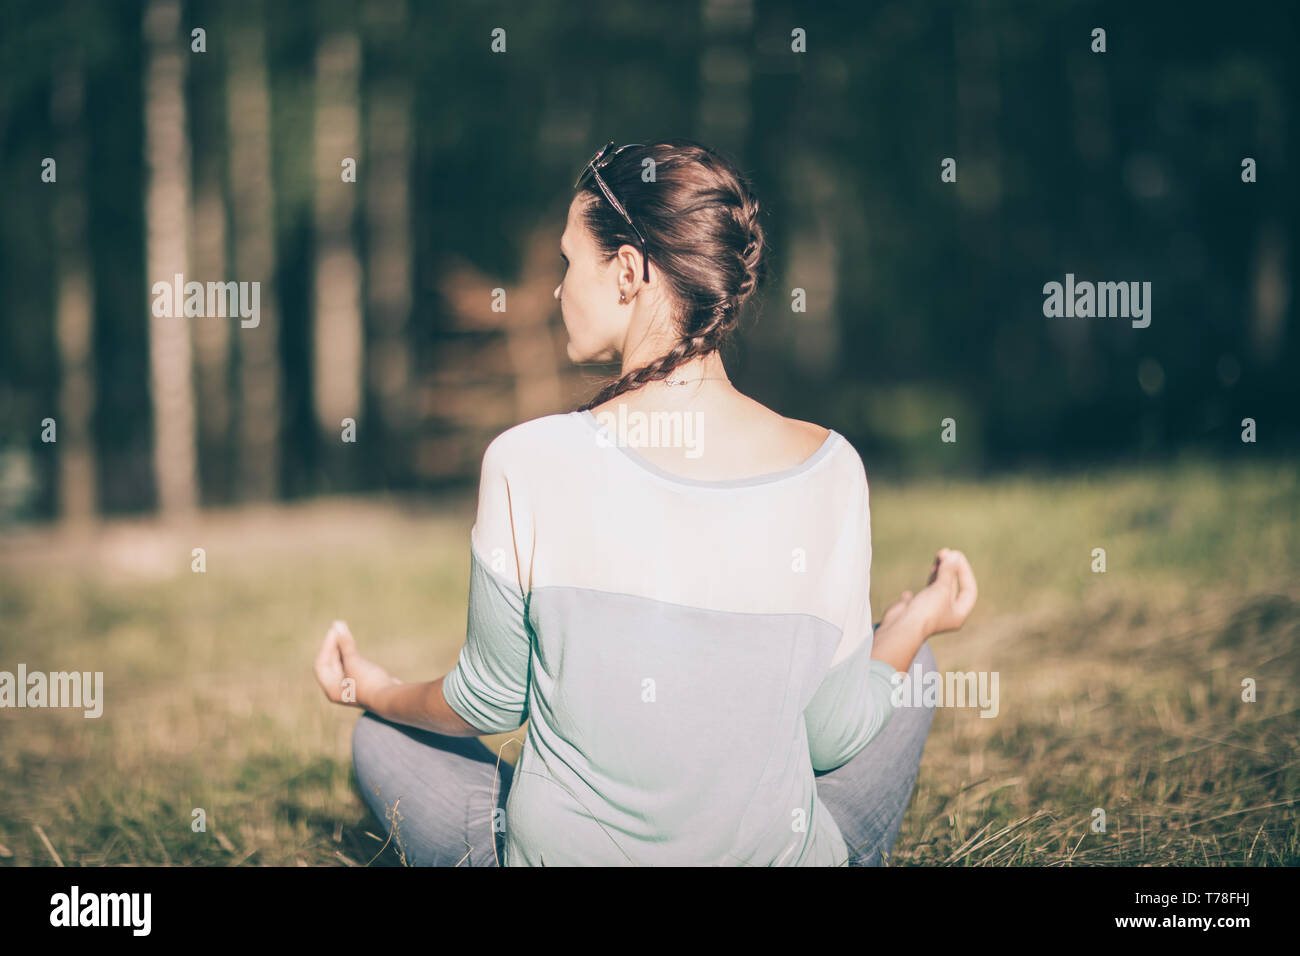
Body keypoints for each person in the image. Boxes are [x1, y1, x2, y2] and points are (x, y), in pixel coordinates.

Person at [314, 140, 978, 866]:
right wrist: (915, 623)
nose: (557, 291)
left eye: (570, 263)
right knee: (909, 666)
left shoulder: (524, 460)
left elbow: (490, 702)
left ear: (628, 271)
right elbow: (831, 734)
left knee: (384, 734)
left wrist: (373, 688)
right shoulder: (832, 468)